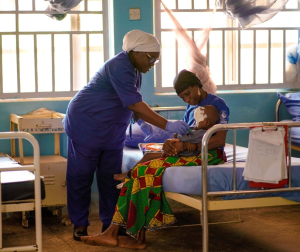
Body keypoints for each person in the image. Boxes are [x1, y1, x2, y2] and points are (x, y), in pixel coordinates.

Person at [62, 30, 189, 241]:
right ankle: (80, 224)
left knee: (111, 179)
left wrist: (142, 123)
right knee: (80, 176)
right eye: (150, 59)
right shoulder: (119, 65)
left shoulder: (135, 69)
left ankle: (110, 225)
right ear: (135, 52)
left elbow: (132, 104)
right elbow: (133, 103)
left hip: (112, 131)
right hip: (86, 124)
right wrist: (167, 124)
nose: (152, 64)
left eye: (156, 60)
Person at [80, 105, 227, 249]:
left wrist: (182, 145)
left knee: (141, 174)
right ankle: (117, 232)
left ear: (207, 122)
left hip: (196, 156)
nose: (194, 122)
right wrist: (173, 140)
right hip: (182, 153)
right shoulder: (194, 130)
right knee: (142, 169)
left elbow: (204, 146)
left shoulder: (208, 133)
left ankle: (130, 236)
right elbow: (178, 142)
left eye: (198, 119)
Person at [162, 69, 229, 157]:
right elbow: (185, 133)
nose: (187, 100)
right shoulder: (190, 107)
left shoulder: (218, 104)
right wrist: (171, 142)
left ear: (197, 86)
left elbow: (219, 141)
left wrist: (187, 146)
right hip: (188, 152)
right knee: (150, 156)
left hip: (207, 154)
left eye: (187, 93)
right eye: (183, 98)